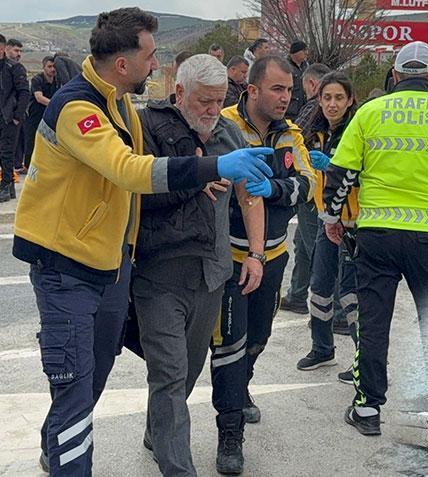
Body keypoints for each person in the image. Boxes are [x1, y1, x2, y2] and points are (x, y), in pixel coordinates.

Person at [12, 8, 274, 475]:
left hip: (113, 268)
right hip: (66, 267)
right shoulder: (80, 108)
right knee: (76, 388)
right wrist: (212, 169)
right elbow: (129, 171)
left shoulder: (116, 102)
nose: (155, 64)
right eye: (151, 56)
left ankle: (58, 447)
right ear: (123, 63)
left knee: (91, 384)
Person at [320, 41, 428, 436]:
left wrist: (332, 216)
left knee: (373, 323)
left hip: (376, 237)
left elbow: (341, 174)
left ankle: (368, 409)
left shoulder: (369, 113)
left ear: (394, 75)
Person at [134, 54, 266, 476]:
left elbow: (249, 197)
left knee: (187, 373)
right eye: (204, 101)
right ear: (179, 94)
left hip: (211, 274)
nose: (212, 110)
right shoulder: (150, 130)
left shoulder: (229, 135)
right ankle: (178, 467)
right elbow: (133, 187)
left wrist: (256, 255)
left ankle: (158, 432)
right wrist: (193, 180)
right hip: (159, 274)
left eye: (219, 100)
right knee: (169, 375)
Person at [213, 54, 322, 474]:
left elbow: (310, 183)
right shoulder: (223, 126)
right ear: (252, 90)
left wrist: (276, 187)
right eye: (277, 89)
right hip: (228, 258)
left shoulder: (288, 133)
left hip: (273, 255)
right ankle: (230, 433)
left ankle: (242, 389)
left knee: (258, 336)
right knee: (229, 345)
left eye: (290, 90)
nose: (286, 98)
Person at [295, 72, 358, 377]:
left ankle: (363, 360)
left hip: (354, 223)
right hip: (326, 218)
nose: (332, 104)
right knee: (319, 286)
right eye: (327, 98)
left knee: (351, 294)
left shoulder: (356, 131)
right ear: (318, 100)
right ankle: (322, 349)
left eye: (339, 98)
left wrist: (330, 164)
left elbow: (358, 174)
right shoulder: (316, 131)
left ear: (350, 101)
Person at [279, 62, 331, 315]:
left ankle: (337, 311)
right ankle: (297, 294)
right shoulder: (326, 110)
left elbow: (293, 141)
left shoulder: (313, 109)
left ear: (311, 84)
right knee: (302, 243)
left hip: (314, 188)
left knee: (316, 248)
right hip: (320, 187)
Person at [0, 37, 28, 202]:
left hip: (9, 117)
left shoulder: (14, 68)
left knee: (7, 152)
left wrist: (17, 117)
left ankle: (6, 185)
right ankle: (8, 185)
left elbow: (24, 92)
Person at [22, 56, 60, 174]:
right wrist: (55, 105)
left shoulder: (58, 81)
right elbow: (39, 98)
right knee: (31, 141)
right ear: (43, 67)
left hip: (49, 115)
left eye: (54, 66)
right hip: (34, 115)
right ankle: (28, 167)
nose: (52, 69)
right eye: (49, 66)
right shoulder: (37, 80)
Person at [286, 40, 309, 120]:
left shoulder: (306, 66)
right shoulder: (285, 66)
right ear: (295, 52)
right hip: (289, 112)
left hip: (303, 111)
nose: (306, 53)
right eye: (304, 50)